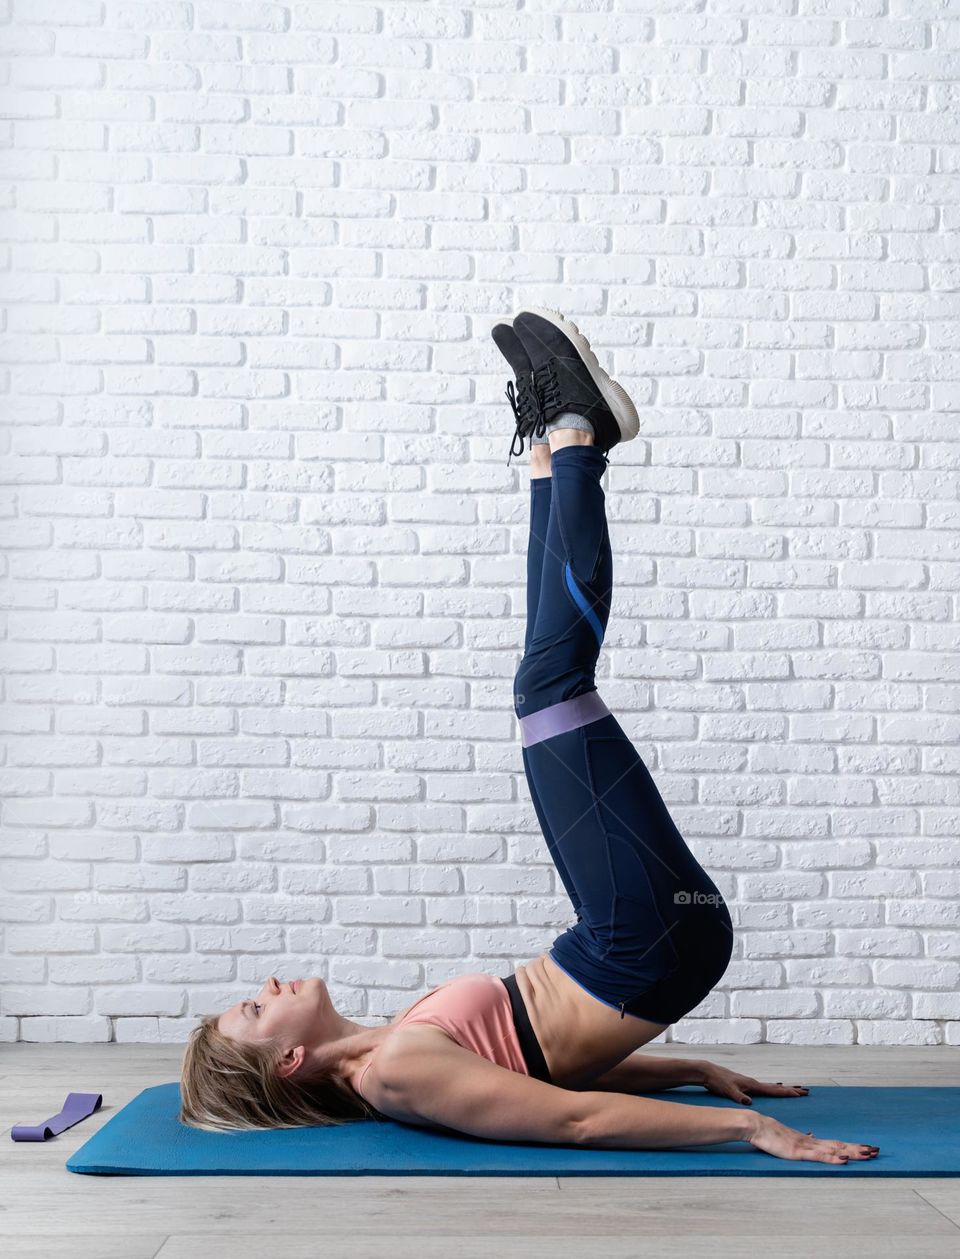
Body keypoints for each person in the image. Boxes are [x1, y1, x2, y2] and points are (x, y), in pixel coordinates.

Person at [179, 308, 879, 1166]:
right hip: (641, 943)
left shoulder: (389, 1047)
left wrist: (692, 1068)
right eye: (256, 1009)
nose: (268, 987)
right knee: (548, 688)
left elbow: (553, 1074)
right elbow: (569, 1120)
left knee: (541, 689)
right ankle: (579, 431)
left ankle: (554, 447)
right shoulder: (396, 1070)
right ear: (288, 1061)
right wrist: (749, 1129)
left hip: (640, 943)